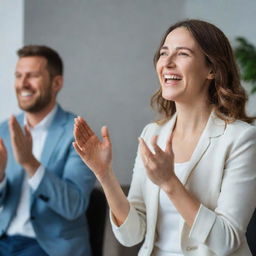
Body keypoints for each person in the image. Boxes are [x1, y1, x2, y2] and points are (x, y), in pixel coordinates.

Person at [73, 19, 256, 256]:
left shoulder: (241, 139)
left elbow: (226, 241)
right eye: (163, 53)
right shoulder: (152, 134)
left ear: (212, 69)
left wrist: (169, 182)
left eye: (182, 54)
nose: (167, 63)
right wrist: (104, 174)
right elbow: (132, 236)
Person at [0, 45, 95, 256]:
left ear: (56, 83)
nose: (22, 84)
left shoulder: (78, 134)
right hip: (5, 239)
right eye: (18, 75)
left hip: (49, 247)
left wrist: (29, 163)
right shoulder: (4, 131)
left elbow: (74, 205)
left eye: (32, 76)